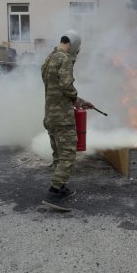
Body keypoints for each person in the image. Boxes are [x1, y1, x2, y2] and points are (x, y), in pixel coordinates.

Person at [41, 30, 94, 204]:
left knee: (58, 153)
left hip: (50, 114)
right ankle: (54, 191)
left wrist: (78, 100)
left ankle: (61, 187)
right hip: (62, 117)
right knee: (68, 154)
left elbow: (54, 87)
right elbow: (66, 85)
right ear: (71, 45)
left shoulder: (50, 58)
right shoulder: (64, 58)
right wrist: (74, 97)